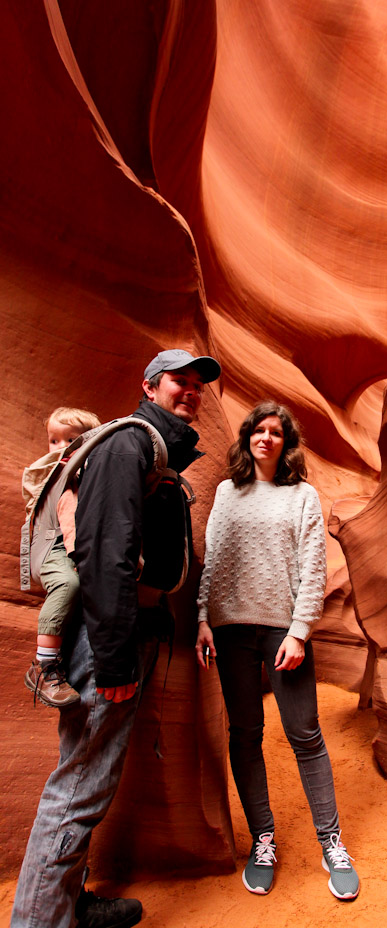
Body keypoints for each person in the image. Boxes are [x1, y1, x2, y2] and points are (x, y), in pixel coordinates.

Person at [12, 348, 221, 928]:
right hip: (108, 644)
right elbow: (104, 555)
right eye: (179, 382)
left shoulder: (152, 451)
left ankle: (68, 903)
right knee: (79, 788)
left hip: (124, 632)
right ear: (150, 387)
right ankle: (38, 921)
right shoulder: (127, 444)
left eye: (197, 385)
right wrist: (115, 663)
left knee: (83, 776)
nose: (191, 392)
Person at [195, 400, 360, 902]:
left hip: (281, 631)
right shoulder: (227, 492)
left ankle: (331, 842)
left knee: (305, 733)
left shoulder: (303, 496)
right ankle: (262, 839)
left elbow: (314, 566)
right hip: (229, 629)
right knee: (244, 734)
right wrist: (202, 617)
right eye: (258, 430)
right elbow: (214, 558)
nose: (265, 438)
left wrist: (300, 631)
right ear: (247, 439)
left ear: (286, 443)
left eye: (275, 432)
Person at [24, 406, 101, 709]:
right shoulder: (61, 479)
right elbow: (69, 524)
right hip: (56, 549)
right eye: (54, 441)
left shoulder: (86, 475)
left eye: (71, 440)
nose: (61, 447)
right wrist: (80, 557)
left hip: (68, 546)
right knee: (69, 584)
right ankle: (43, 667)